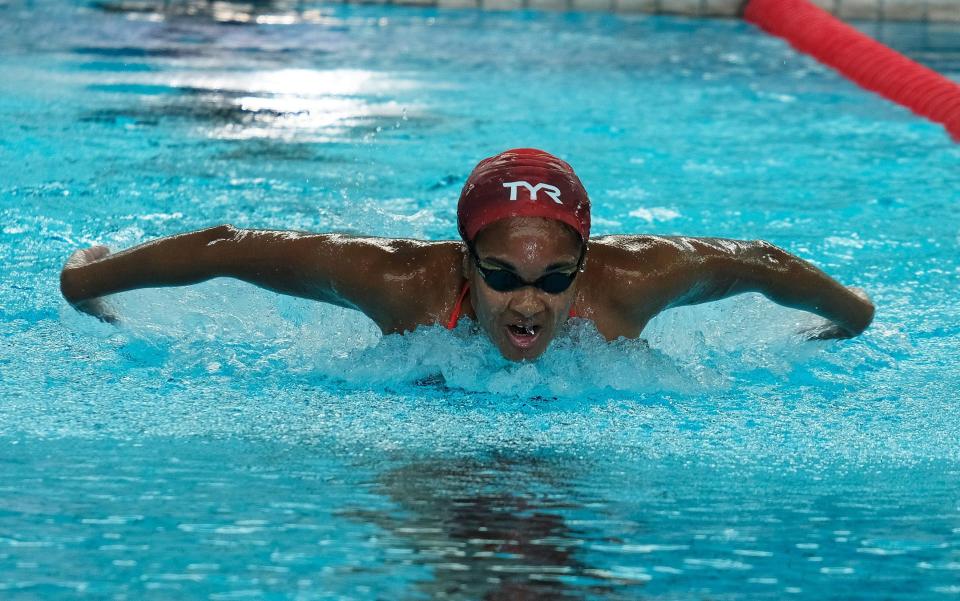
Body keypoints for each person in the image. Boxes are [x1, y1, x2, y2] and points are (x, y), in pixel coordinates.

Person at [59, 148, 874, 362]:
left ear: (584, 266)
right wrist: (85, 279)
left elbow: (759, 262)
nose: (530, 304)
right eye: (503, 277)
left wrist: (849, 320)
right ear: (463, 261)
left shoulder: (634, 284)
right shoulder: (400, 284)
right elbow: (229, 248)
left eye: (555, 280)